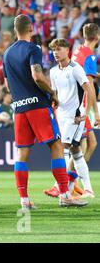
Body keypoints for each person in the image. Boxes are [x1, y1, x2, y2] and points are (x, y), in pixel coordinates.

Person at [3, 14, 87, 209]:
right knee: (57, 146)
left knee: (22, 152)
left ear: (15, 30)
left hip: (19, 108)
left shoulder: (6, 53)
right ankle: (65, 195)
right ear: (30, 28)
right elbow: (37, 76)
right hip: (38, 106)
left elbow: (8, 85)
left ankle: (24, 200)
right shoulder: (33, 48)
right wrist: (52, 93)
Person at [42, 38, 95, 199]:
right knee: (76, 151)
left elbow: (89, 90)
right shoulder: (53, 71)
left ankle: (60, 186)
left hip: (75, 117)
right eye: (53, 50)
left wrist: (86, 112)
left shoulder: (75, 69)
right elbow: (56, 94)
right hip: (61, 115)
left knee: (62, 146)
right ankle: (88, 190)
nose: (56, 53)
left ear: (67, 50)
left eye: (59, 49)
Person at [69, 23, 100, 194]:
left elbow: (83, 71)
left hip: (73, 102)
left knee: (90, 143)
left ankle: (74, 181)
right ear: (97, 37)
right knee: (79, 146)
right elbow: (90, 87)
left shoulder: (78, 50)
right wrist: (95, 112)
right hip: (81, 106)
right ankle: (70, 183)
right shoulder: (90, 56)